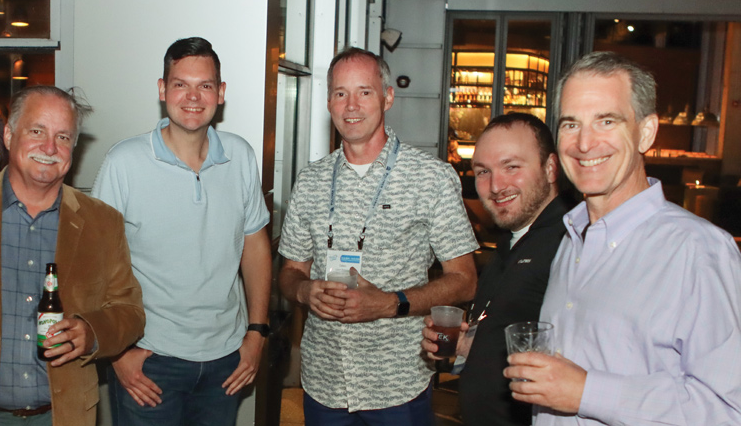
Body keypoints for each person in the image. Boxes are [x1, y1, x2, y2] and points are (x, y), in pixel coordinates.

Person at [504, 51, 741, 425]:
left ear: (645, 132)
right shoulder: (572, 239)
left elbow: (729, 412)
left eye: (606, 120)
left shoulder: (699, 251)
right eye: (570, 124)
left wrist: (587, 392)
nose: (584, 144)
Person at [0, 85, 145, 426]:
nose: (50, 148)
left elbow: (130, 311)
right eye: (37, 131)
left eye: (63, 137)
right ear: (8, 134)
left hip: (60, 416)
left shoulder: (102, 222)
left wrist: (91, 331)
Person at [278, 47, 478, 425]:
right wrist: (304, 291)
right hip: (324, 383)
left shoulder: (431, 179)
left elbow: (465, 281)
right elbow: (290, 271)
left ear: (387, 97)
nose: (351, 105)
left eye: (364, 92)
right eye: (340, 93)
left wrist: (390, 303)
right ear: (328, 102)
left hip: (397, 387)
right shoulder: (310, 181)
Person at [92, 37, 271, 426]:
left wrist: (257, 333)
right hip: (150, 362)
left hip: (226, 360)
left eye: (205, 85)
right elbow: (94, 264)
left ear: (220, 93)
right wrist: (117, 354)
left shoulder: (240, 156)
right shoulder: (125, 162)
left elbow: (254, 246)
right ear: (162, 89)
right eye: (180, 84)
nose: (193, 96)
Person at [421, 113, 571, 426]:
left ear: (551, 168)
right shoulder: (513, 239)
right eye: (483, 172)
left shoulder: (570, 244)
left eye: (512, 167)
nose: (496, 185)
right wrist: (461, 346)